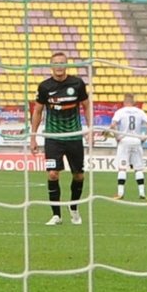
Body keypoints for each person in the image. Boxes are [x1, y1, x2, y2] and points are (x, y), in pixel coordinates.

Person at [29, 52, 93, 226]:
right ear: (51, 66)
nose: (59, 66)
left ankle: (74, 207)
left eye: (62, 63)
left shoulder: (77, 83)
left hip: (73, 136)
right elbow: (38, 111)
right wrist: (33, 137)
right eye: (56, 63)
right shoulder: (44, 87)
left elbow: (87, 106)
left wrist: (90, 129)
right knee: (52, 174)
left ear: (67, 65)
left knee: (79, 175)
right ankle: (56, 214)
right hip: (53, 137)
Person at [105, 94, 147, 200]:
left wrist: (117, 137)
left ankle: (120, 193)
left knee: (122, 168)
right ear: (133, 102)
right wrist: (145, 137)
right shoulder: (140, 112)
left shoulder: (120, 112)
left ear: (124, 102)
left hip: (124, 140)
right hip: (136, 140)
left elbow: (113, 126)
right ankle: (142, 193)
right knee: (138, 168)